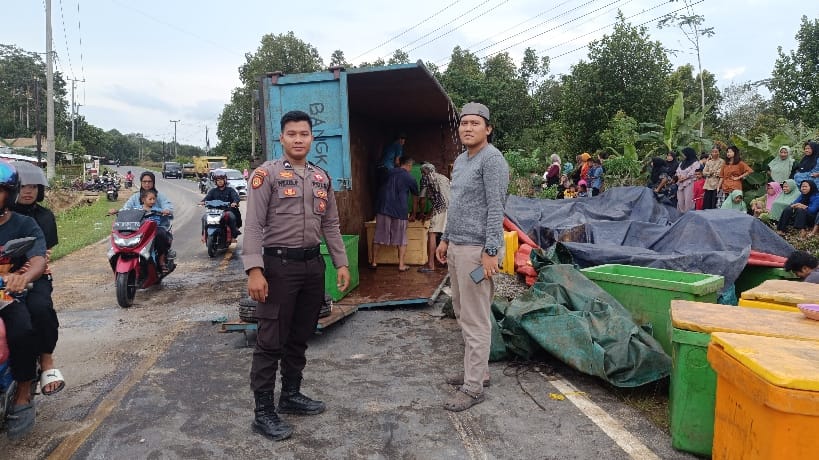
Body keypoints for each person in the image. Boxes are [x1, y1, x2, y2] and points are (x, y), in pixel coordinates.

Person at [243, 110, 350, 441]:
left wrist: (341, 262)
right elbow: (253, 225)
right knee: (270, 340)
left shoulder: (321, 178)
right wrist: (254, 270)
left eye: (304, 134)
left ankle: (290, 395)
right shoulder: (266, 175)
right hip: (278, 268)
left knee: (300, 335)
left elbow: (330, 224)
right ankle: (263, 412)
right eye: (292, 134)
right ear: (282, 138)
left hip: (312, 266)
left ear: (312, 138)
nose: (298, 139)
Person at [435, 102, 509, 412]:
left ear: (488, 129)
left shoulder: (492, 160)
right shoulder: (461, 160)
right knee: (462, 311)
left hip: (477, 252)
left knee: (476, 318)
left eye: (475, 123)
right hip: (457, 247)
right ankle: (478, 372)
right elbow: (456, 205)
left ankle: (473, 387)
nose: (467, 128)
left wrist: (491, 251)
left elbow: (496, 207)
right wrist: (445, 238)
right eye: (464, 123)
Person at [0, 162, 47, 439]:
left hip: (6, 295)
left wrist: (24, 277)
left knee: (22, 330)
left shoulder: (24, 224)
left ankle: (23, 391)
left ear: (10, 193)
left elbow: (38, 258)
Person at [10, 162, 64, 398]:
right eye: (23, 186)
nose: (28, 191)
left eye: (33, 187)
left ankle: (46, 360)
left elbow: (44, 254)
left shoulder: (44, 217)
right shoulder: (5, 215)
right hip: (3, 276)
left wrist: (25, 272)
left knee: (40, 308)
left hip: (34, 275)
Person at [117, 171, 174, 271]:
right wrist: (117, 211)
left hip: (157, 226)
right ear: (141, 182)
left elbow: (167, 205)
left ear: (153, 182)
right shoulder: (135, 197)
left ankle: (161, 261)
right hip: (138, 227)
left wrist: (167, 210)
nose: (147, 184)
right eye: (144, 181)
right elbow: (126, 207)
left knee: (160, 234)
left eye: (149, 181)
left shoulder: (159, 196)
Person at [370, 156, 419, 272]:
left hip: (383, 209)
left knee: (378, 237)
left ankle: (374, 262)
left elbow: (378, 188)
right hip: (400, 211)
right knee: (401, 239)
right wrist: (414, 213)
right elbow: (415, 197)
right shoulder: (410, 178)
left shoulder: (387, 173)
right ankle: (401, 265)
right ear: (409, 165)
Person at [415, 162, 450, 273]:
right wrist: (430, 213)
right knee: (447, 235)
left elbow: (422, 199)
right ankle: (447, 262)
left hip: (440, 209)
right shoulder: (443, 178)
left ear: (424, 172)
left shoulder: (426, 178)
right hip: (452, 209)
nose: (422, 174)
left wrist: (421, 212)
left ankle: (431, 265)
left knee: (432, 234)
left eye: (422, 172)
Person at [200, 171, 242, 243]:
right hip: (214, 211)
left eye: (221, 180)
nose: (220, 181)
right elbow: (207, 198)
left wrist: (235, 202)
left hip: (227, 210)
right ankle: (204, 235)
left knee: (231, 217)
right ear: (215, 181)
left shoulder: (230, 190)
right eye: (218, 180)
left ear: (225, 180)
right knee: (204, 217)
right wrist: (203, 202)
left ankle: (233, 236)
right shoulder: (213, 191)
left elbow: (236, 197)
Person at [676, 147, 700, 212]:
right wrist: (679, 177)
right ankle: (681, 215)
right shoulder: (682, 162)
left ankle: (689, 214)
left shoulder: (695, 162)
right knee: (680, 200)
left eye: (684, 154)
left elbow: (693, 172)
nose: (683, 155)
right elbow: (678, 170)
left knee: (688, 200)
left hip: (690, 183)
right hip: (681, 183)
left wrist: (684, 178)